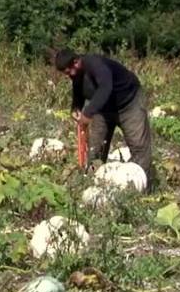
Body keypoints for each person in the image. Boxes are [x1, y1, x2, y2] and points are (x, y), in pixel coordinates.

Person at [53, 48, 156, 188]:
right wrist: (75, 108)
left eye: (70, 70)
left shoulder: (96, 64)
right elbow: (78, 89)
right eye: (67, 73)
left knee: (139, 148)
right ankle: (94, 186)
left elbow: (105, 88)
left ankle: (137, 189)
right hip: (103, 109)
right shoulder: (75, 73)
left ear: (76, 61)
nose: (70, 75)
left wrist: (87, 113)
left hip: (129, 103)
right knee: (95, 150)